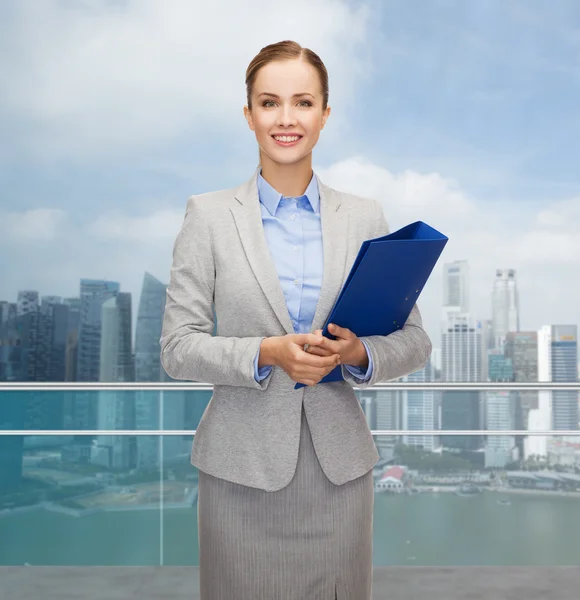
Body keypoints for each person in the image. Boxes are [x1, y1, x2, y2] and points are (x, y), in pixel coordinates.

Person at [160, 39, 432, 600]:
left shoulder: (364, 216)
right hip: (240, 473)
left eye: (303, 102)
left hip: (340, 472)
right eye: (269, 103)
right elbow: (177, 347)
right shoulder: (207, 217)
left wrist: (357, 353)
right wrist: (266, 352)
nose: (287, 119)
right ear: (249, 115)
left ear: (325, 115)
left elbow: (415, 340)